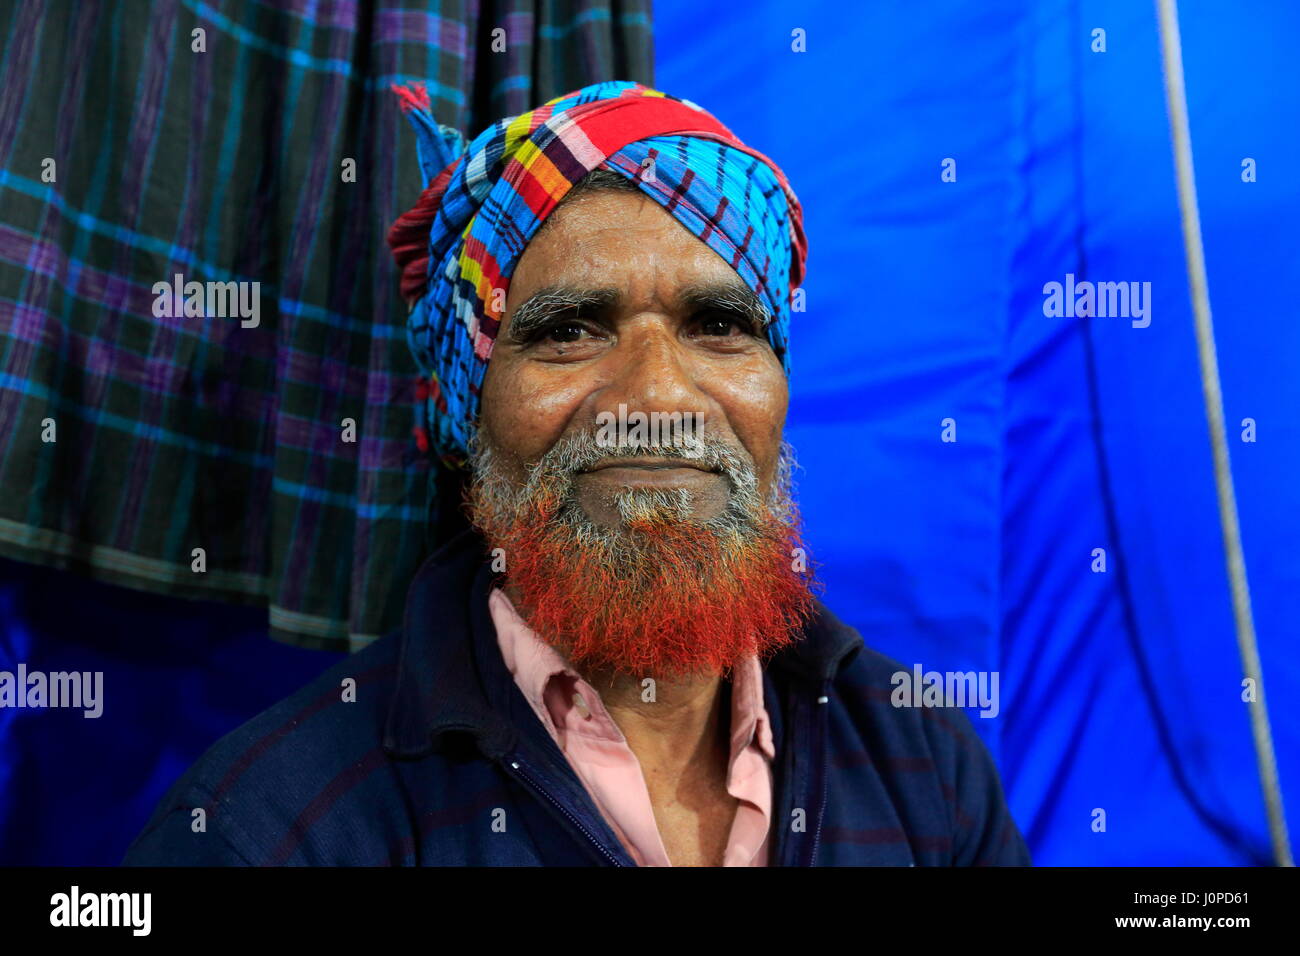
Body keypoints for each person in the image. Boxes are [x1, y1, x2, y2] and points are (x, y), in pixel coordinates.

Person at [123, 81, 1030, 867]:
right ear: (466, 408)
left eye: (719, 326)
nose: (657, 395)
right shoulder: (276, 825)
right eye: (569, 331)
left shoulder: (925, 771)